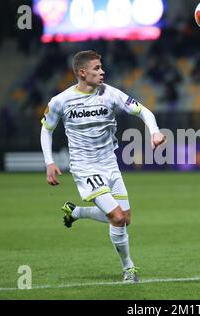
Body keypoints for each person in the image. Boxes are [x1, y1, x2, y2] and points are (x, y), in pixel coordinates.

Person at [40, 50, 166, 283]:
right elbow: (46, 130)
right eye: (96, 68)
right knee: (117, 218)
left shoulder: (111, 93)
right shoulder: (60, 101)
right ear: (82, 72)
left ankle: (76, 212)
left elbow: (143, 111)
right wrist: (49, 162)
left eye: (101, 67)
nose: (102, 71)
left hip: (110, 164)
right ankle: (129, 268)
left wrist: (155, 132)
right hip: (85, 167)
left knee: (126, 218)